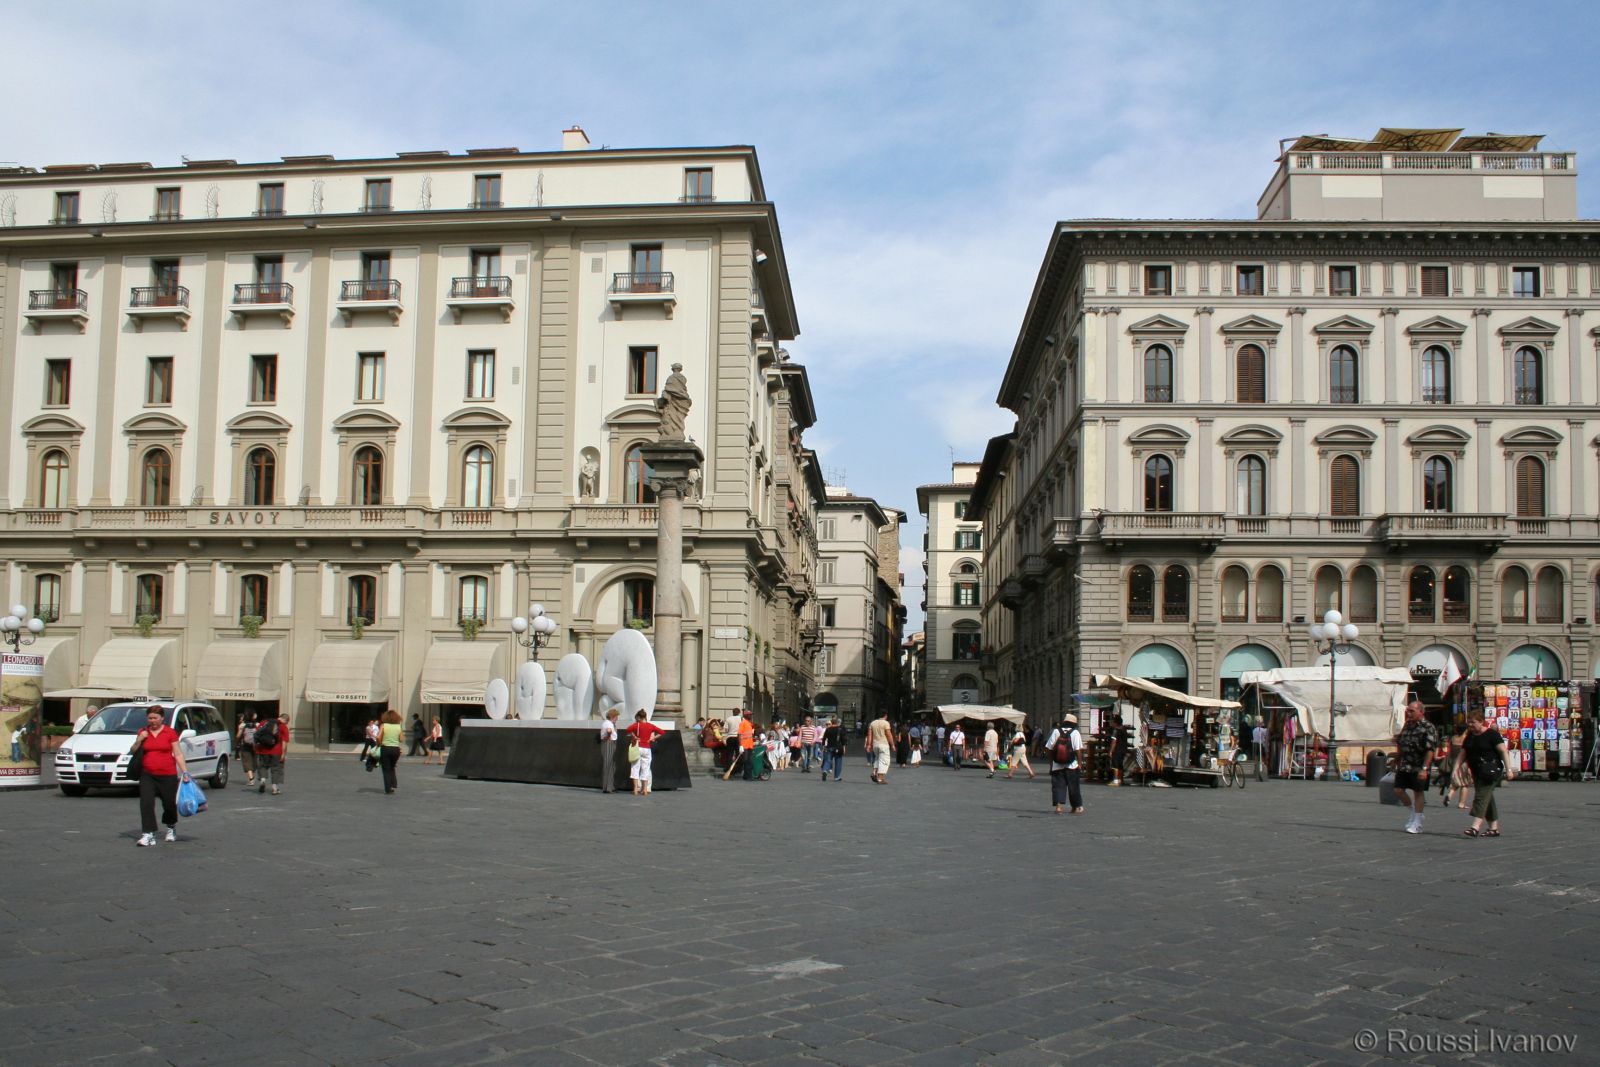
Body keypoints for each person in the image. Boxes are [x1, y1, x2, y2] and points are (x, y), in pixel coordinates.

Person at [133, 706, 190, 846]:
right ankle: (148, 834)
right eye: (150, 718)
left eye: (155, 718)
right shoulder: (143, 732)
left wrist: (185, 772)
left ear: (162, 718)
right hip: (147, 774)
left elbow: (178, 753)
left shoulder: (169, 732)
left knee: (169, 804)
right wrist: (139, 739)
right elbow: (133, 750)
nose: (153, 721)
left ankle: (171, 827)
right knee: (146, 803)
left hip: (167, 774)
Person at [1455, 714, 1514, 837]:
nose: (1470, 725)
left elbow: (1503, 751)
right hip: (1477, 771)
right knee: (1488, 797)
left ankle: (1475, 827)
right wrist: (1455, 769)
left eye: (1473, 722)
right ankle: (1493, 829)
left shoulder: (1492, 734)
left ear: (1481, 722)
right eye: (1469, 722)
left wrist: (1509, 769)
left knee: (1481, 796)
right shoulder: (1470, 736)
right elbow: (1462, 753)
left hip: (1491, 771)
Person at [1393, 699, 1438, 834]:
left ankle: (1417, 823)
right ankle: (1414, 812)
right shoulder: (1408, 725)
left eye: (1412, 711)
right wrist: (1397, 759)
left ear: (1421, 712)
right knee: (1398, 790)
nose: (1409, 713)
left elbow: (1430, 749)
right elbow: (1401, 742)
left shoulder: (1428, 727)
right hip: (1405, 764)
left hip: (1419, 765)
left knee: (1418, 792)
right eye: (1408, 711)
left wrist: (1425, 769)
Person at [1045, 713, 1084, 815]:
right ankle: (1075, 807)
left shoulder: (1056, 731)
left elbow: (1048, 748)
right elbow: (1078, 750)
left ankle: (1059, 807)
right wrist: (1080, 764)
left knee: (1058, 786)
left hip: (1057, 765)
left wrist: (1051, 763)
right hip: (1072, 765)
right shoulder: (1075, 732)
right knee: (1073, 787)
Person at [626, 710, 665, 796]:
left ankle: (635, 789)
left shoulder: (636, 725)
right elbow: (662, 732)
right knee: (646, 769)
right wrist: (652, 738)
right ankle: (645, 790)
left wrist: (634, 736)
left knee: (635, 768)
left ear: (639, 717)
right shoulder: (650, 726)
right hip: (647, 748)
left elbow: (628, 730)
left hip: (638, 747)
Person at [253, 710, 288, 795]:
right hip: (276, 751)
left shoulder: (264, 722)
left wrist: (255, 747)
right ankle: (274, 788)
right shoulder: (283, 726)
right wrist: (283, 754)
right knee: (276, 768)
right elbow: (284, 742)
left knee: (262, 766)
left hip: (263, 750)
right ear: (286, 720)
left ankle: (262, 780)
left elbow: (256, 735)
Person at [1442, 723, 1473, 811]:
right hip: (1464, 763)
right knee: (1465, 784)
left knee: (1456, 782)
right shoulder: (1466, 738)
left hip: (1454, 761)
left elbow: (1450, 751)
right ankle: (1461, 803)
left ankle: (1449, 795)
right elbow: (1468, 752)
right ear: (1465, 730)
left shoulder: (1453, 738)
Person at [377, 709, 404, 794]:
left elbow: (378, 737)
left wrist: (379, 744)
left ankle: (388, 788)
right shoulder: (398, 726)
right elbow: (401, 739)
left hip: (385, 748)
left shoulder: (383, 725)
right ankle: (393, 784)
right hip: (396, 750)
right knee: (392, 767)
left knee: (386, 769)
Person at [867, 710, 893, 784]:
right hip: (883, 744)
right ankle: (880, 779)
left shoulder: (872, 723)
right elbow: (889, 734)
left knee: (877, 759)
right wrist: (892, 744)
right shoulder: (886, 723)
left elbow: (869, 735)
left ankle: (874, 772)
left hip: (875, 744)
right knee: (884, 761)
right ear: (885, 715)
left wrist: (869, 745)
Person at [599, 708, 621, 793]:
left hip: (610, 743)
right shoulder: (608, 723)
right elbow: (609, 730)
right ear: (613, 716)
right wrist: (608, 736)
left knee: (611, 765)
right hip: (609, 743)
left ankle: (610, 786)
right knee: (608, 764)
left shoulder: (609, 723)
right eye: (616, 716)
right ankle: (607, 787)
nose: (617, 718)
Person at [820, 715, 846, 781]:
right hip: (838, 747)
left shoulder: (828, 729)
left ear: (831, 722)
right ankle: (836, 777)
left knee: (828, 760)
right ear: (837, 723)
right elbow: (843, 739)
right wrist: (844, 747)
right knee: (838, 762)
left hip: (829, 747)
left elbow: (824, 738)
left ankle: (825, 770)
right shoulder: (840, 729)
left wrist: (823, 745)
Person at [236, 711, 259, 785]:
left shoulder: (242, 725)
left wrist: (237, 742)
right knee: (254, 760)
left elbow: (238, 736)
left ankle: (251, 779)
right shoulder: (257, 725)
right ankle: (252, 776)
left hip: (245, 745)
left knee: (247, 761)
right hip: (255, 745)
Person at [737, 710, 757, 781]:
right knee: (747, 761)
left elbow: (750, 734)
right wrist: (740, 745)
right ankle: (748, 776)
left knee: (748, 761)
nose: (751, 716)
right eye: (749, 714)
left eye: (751, 714)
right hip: (744, 745)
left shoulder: (749, 723)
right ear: (745, 715)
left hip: (749, 745)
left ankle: (746, 776)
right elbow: (739, 734)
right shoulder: (743, 723)